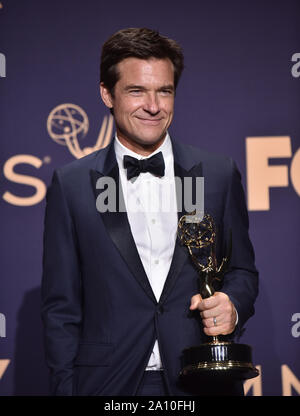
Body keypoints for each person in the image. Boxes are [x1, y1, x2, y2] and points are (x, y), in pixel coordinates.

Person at [41, 27, 258, 396]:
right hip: (109, 384)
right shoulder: (73, 184)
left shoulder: (217, 174)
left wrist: (232, 305)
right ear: (107, 94)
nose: (154, 106)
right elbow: (61, 310)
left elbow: (241, 271)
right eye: (137, 91)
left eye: (164, 91)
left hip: (201, 380)